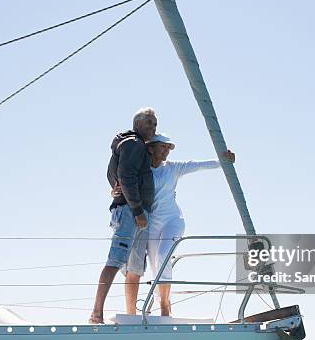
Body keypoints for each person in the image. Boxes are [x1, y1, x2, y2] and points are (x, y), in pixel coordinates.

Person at [112, 133, 235, 316]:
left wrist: (223, 161)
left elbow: (198, 165)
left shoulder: (173, 168)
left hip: (173, 221)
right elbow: (125, 185)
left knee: (163, 256)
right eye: (163, 147)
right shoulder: (142, 171)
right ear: (151, 147)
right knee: (156, 266)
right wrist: (115, 192)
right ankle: (157, 303)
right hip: (151, 225)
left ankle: (165, 304)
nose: (167, 151)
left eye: (168, 148)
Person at [89, 107, 157, 324]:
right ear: (137, 124)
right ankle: (96, 314)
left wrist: (115, 187)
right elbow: (124, 175)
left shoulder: (135, 146)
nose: (153, 128)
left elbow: (112, 173)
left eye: (155, 124)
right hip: (131, 212)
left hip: (138, 212)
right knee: (115, 260)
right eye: (150, 123)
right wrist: (137, 210)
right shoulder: (133, 144)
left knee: (135, 267)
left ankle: (132, 316)